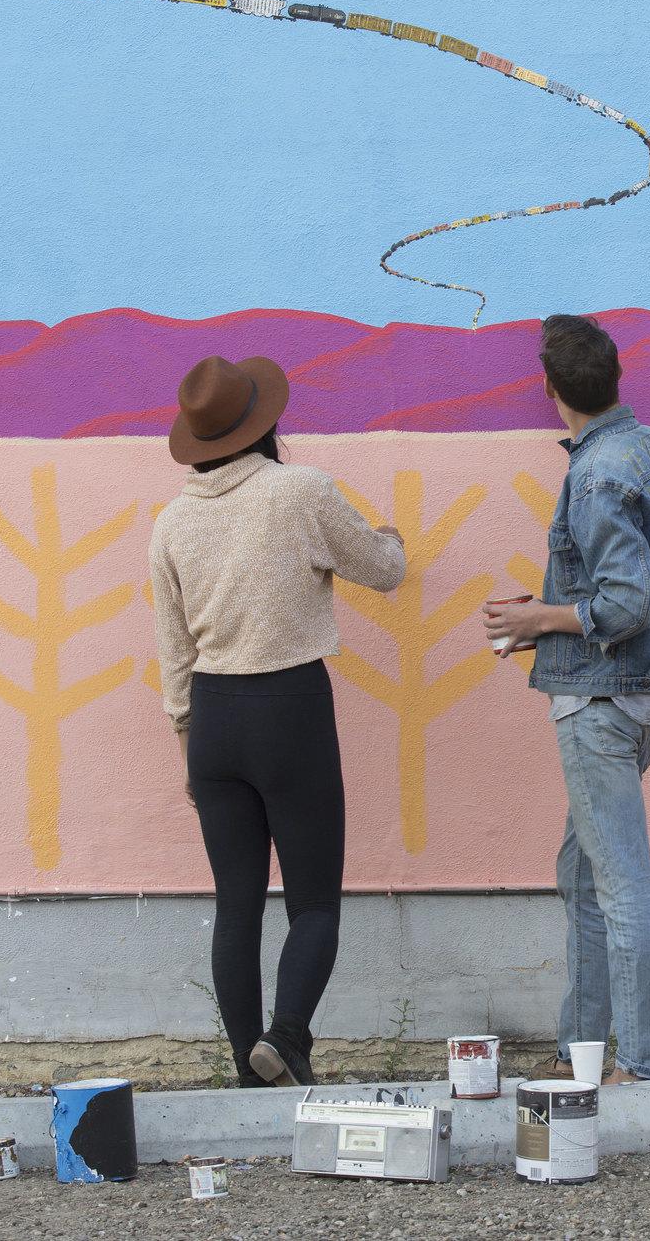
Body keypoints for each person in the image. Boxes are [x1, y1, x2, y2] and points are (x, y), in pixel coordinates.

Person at [150, 354, 406, 1088]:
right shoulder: (299, 492)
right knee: (314, 901)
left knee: (236, 907)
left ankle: (246, 1071)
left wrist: (184, 744)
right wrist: (387, 538)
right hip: (289, 707)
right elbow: (383, 570)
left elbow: (173, 652)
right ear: (263, 425)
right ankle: (287, 1040)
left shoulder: (170, 523)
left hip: (213, 722)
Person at [481, 315, 650, 1085]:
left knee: (618, 885)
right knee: (582, 871)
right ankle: (582, 1052)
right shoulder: (648, 448)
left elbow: (625, 603)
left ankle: (637, 1067)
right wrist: (546, 632)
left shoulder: (599, 473)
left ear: (549, 392)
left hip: (600, 705)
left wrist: (539, 616)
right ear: (614, 377)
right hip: (639, 693)